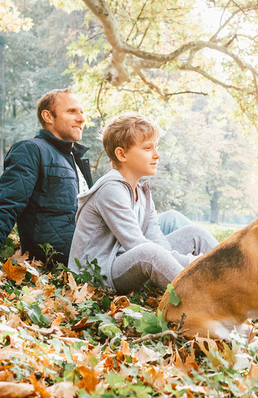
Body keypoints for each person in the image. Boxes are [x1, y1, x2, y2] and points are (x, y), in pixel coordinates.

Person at [68, 113, 218, 293]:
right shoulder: (111, 189)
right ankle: (205, 301)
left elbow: (158, 243)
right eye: (148, 148)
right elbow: (137, 245)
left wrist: (187, 262)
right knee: (149, 253)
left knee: (195, 234)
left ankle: (243, 281)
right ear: (121, 154)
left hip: (123, 261)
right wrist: (195, 263)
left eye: (156, 147)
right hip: (97, 275)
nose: (157, 155)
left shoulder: (141, 192)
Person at [0, 88, 94, 266]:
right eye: (71, 111)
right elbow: (7, 206)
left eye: (82, 112)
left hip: (93, 252)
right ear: (48, 116)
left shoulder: (76, 160)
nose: (81, 118)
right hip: (62, 258)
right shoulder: (31, 150)